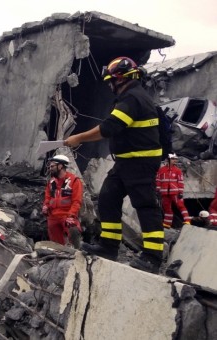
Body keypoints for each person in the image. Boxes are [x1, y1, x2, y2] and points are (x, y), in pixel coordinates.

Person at [64, 56, 164, 273]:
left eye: (111, 80)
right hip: (126, 162)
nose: (109, 85)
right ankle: (108, 247)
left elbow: (110, 128)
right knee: (108, 198)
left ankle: (153, 257)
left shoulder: (132, 99)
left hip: (140, 161)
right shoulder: (131, 96)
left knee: (145, 206)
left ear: (120, 79)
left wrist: (78, 138)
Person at [42, 155, 83, 248]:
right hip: (53, 217)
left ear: (60, 166)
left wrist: (71, 215)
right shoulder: (51, 182)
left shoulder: (74, 181)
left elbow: (76, 201)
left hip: (67, 215)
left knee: (74, 230)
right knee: (56, 245)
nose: (50, 168)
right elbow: (47, 198)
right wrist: (45, 206)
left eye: (52, 166)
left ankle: (77, 252)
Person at [156, 153, 191, 227]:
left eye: (175, 159)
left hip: (175, 192)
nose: (175, 160)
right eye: (173, 159)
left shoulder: (178, 170)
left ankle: (187, 221)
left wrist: (181, 192)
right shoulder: (161, 170)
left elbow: (180, 182)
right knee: (167, 208)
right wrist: (158, 190)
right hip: (164, 193)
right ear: (168, 159)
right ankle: (167, 224)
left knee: (181, 206)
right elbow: (158, 180)